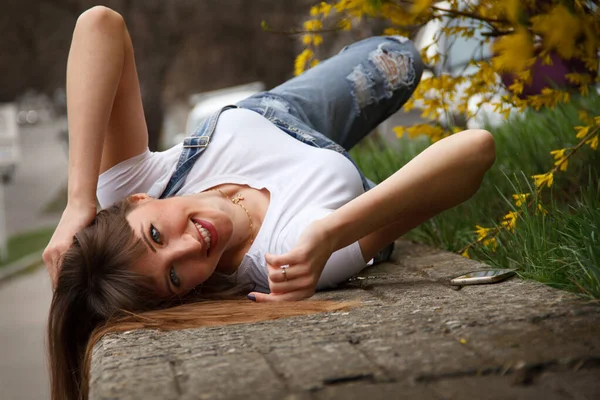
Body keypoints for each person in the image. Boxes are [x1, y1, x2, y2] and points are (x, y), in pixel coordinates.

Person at [44, 6, 496, 400]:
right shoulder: (291, 253)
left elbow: (99, 24)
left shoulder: (134, 185)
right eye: (175, 276)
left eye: (156, 236)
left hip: (276, 115)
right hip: (333, 183)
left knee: (399, 56)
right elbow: (475, 151)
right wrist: (332, 232)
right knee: (400, 62)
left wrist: (78, 200)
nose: (188, 247)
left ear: (139, 200)